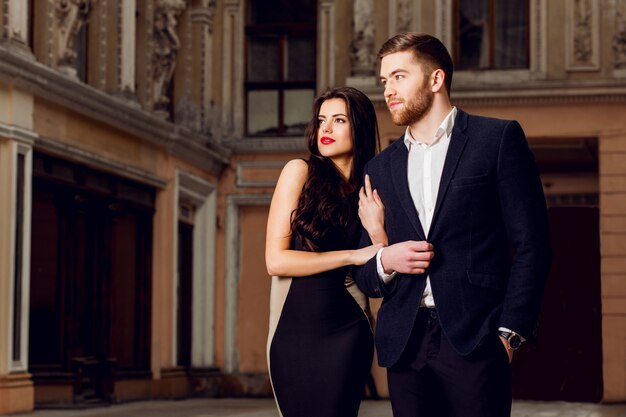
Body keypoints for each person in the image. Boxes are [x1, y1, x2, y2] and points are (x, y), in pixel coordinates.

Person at [353, 32, 552, 417]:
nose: (388, 90)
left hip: (476, 338)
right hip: (405, 344)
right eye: (383, 81)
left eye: (398, 76)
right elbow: (366, 273)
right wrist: (385, 258)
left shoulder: (495, 140)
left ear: (436, 79)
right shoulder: (380, 167)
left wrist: (510, 333)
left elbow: (533, 245)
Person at [265, 87, 383, 417]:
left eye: (339, 120)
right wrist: (351, 255)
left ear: (358, 127)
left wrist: (376, 232)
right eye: (321, 121)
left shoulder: (372, 188)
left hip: (349, 331)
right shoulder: (298, 172)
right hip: (294, 333)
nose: (325, 130)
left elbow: (381, 255)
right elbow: (275, 261)